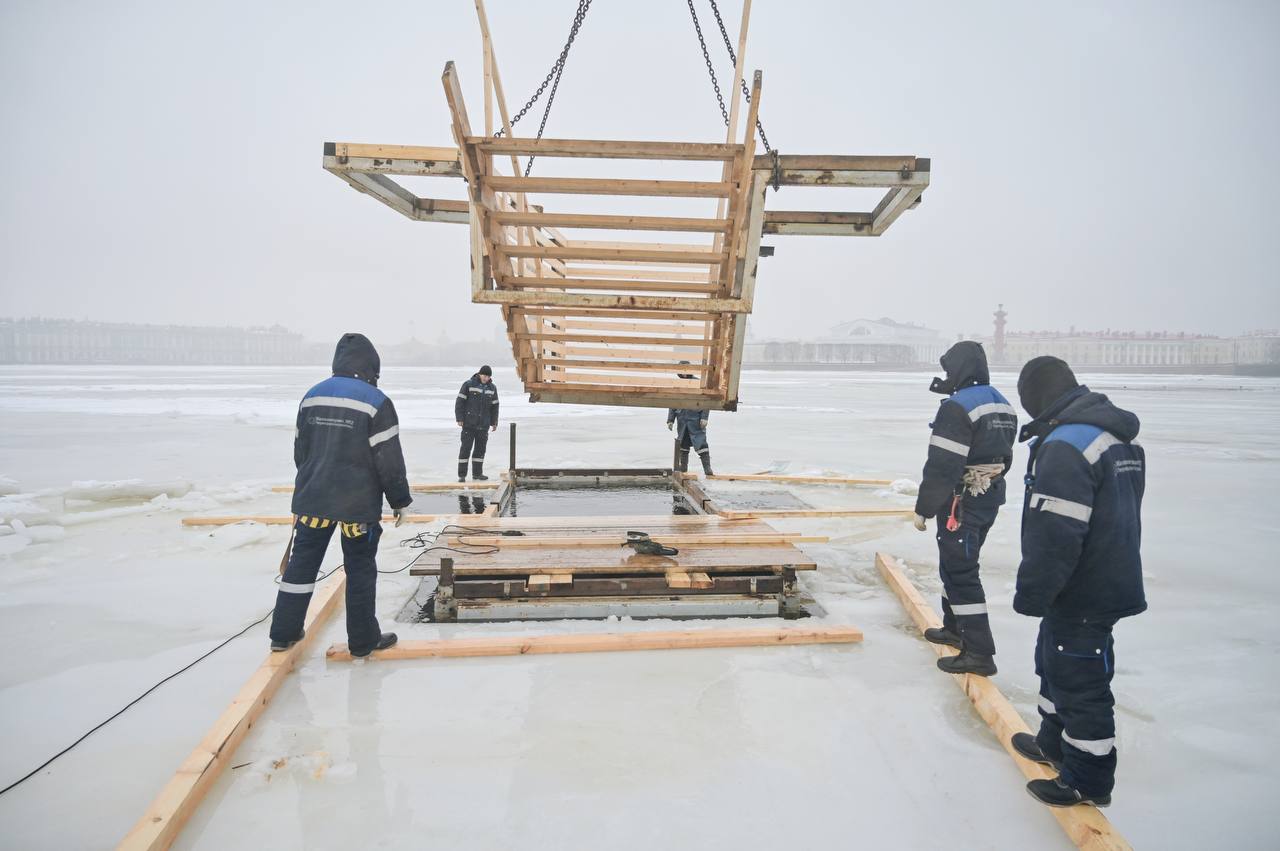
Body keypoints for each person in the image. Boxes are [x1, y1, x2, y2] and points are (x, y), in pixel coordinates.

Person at [1009, 356, 1146, 808]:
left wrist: (1034, 591)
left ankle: (1087, 780)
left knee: (1079, 679)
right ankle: (1052, 743)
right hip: (1103, 573)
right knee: (1053, 663)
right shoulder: (1110, 437)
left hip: (1084, 585)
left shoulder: (1067, 444)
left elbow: (1057, 532)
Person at [269, 333, 411, 658]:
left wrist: (311, 482)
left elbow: (300, 452)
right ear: (371, 366)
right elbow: (388, 460)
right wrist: (399, 500)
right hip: (356, 508)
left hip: (313, 501)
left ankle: (283, 633)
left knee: (301, 566)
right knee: (360, 568)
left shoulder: (312, 396)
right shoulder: (376, 401)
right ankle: (362, 641)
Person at [912, 340, 1018, 676]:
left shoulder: (958, 406)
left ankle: (979, 652)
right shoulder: (1001, 402)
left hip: (962, 501)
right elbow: (1006, 458)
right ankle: (955, 630)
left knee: (960, 571)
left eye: (948, 369)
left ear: (958, 369)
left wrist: (925, 507)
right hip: (987, 496)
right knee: (957, 563)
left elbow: (943, 464)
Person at [455, 365, 499, 483]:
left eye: (488, 376)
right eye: (484, 375)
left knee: (480, 450)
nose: (486, 378)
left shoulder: (492, 388)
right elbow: (460, 402)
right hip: (469, 424)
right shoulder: (468, 384)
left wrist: (494, 422)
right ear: (479, 374)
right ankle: (462, 475)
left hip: (483, 425)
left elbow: (495, 407)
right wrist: (459, 418)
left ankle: (477, 474)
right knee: (465, 449)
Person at [667, 408, 713, 477]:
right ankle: (683, 469)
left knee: (701, 444)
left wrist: (704, 417)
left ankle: (707, 469)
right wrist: (670, 419)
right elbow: (672, 403)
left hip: (696, 420)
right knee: (683, 444)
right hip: (682, 419)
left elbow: (706, 402)